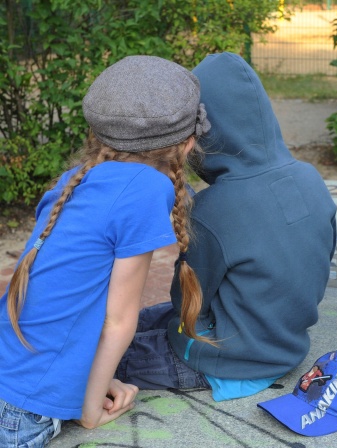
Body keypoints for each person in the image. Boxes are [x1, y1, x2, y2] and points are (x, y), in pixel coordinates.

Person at [0, 55, 211, 447]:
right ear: (189, 142)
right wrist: (90, 408)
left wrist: (84, 378)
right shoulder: (149, 190)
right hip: (22, 410)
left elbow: (61, 300)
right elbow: (118, 321)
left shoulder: (77, 179)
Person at [116, 52, 337, 402]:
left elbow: (187, 303)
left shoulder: (216, 207)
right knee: (145, 318)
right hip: (283, 341)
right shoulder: (310, 178)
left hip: (227, 361)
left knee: (107, 350)